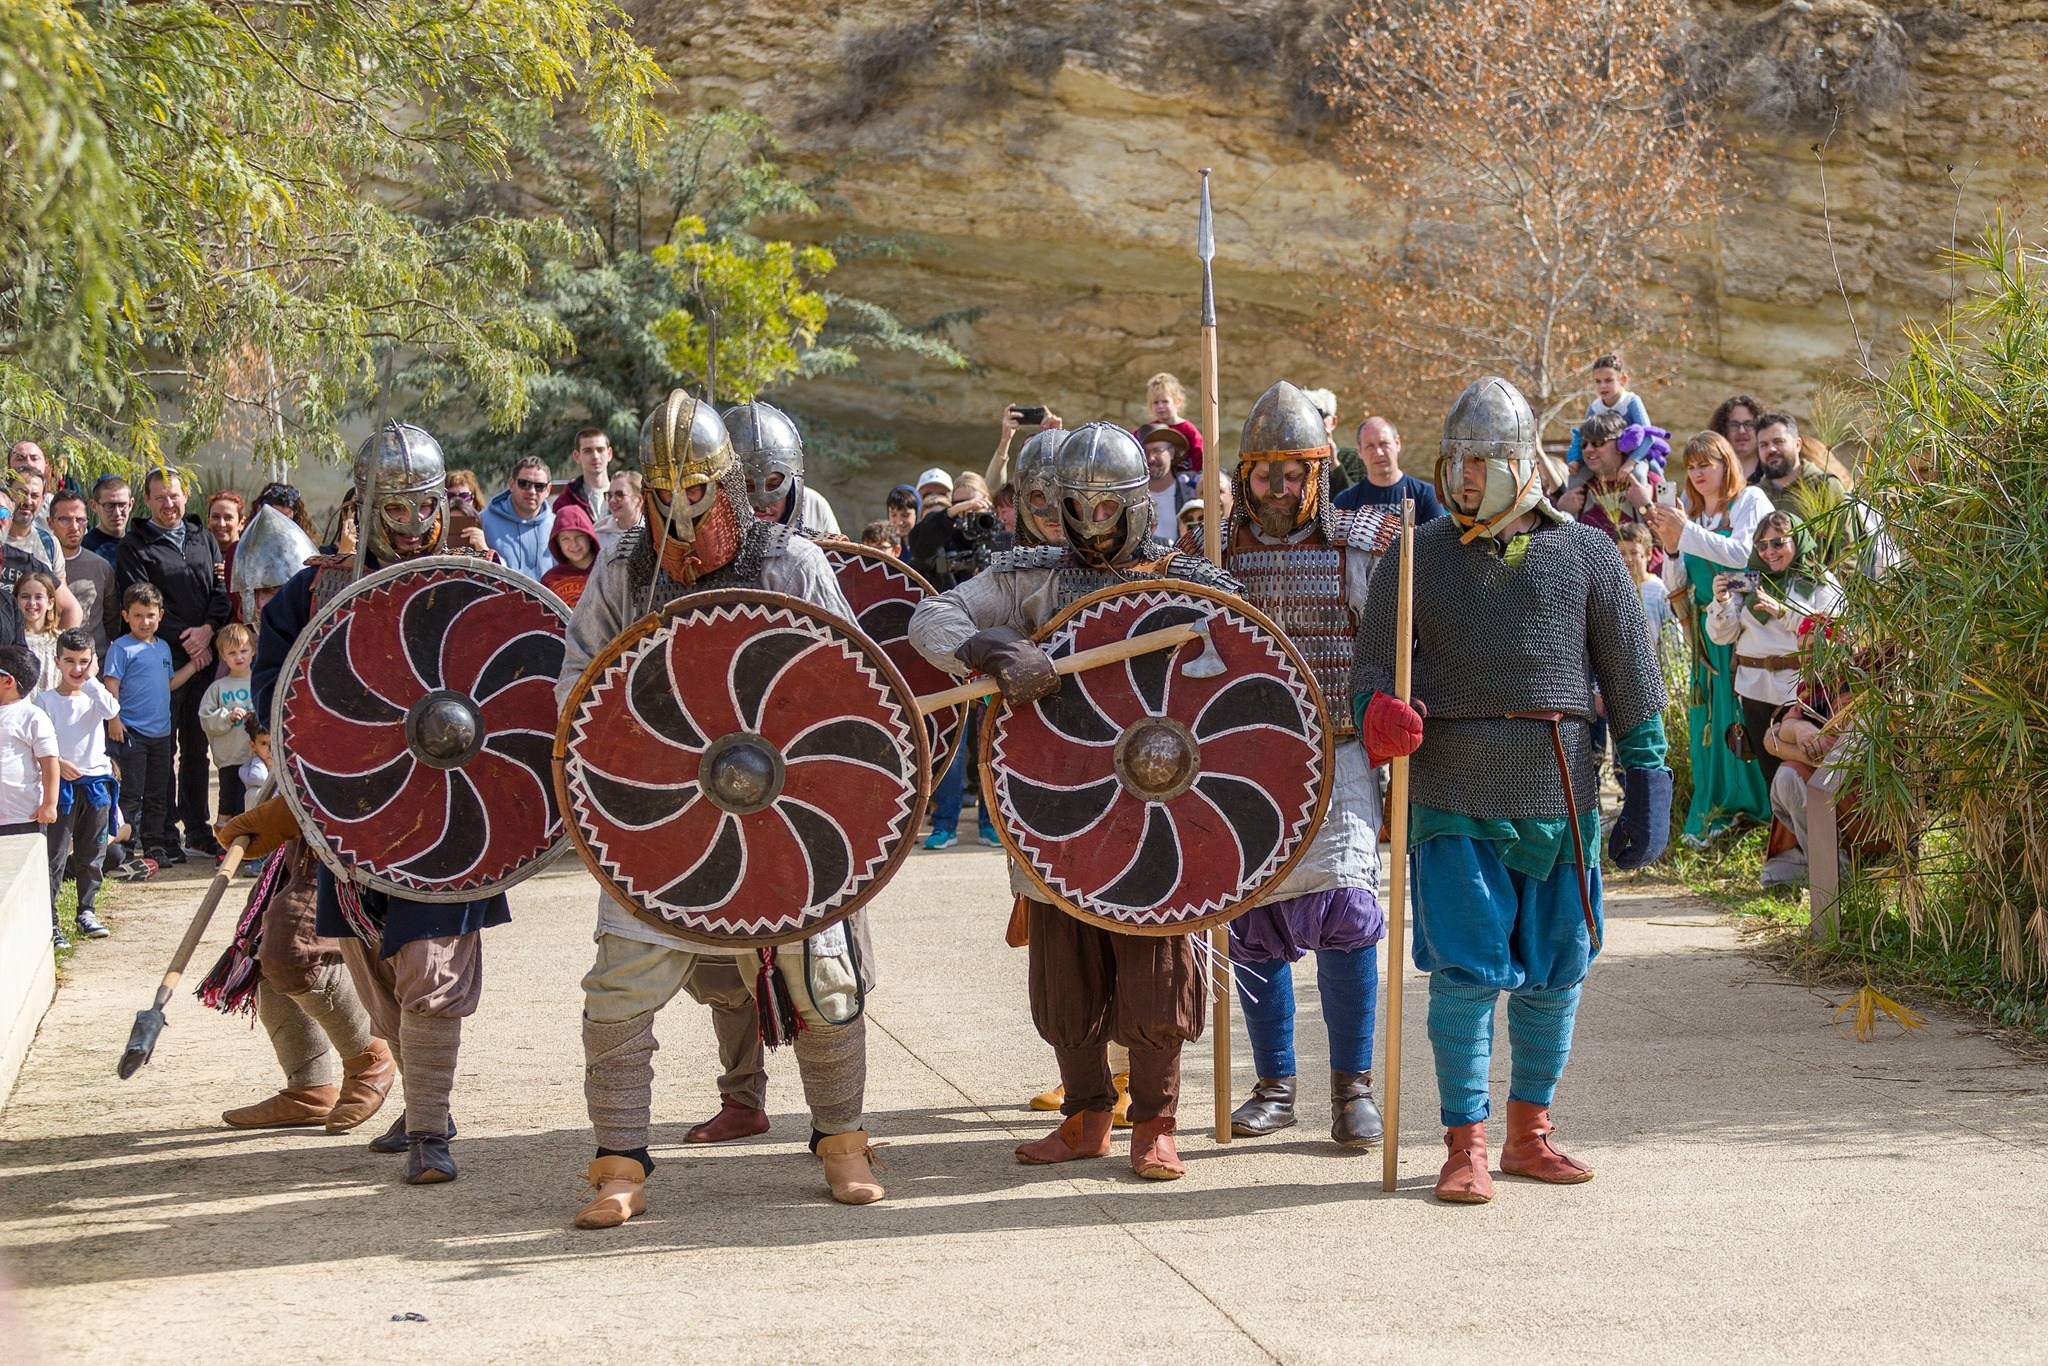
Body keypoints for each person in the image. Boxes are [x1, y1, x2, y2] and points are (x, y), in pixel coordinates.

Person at [556, 390, 886, 1227]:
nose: (680, 510)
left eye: (697, 489)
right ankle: (620, 1163)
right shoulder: (625, 565)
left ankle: (844, 1142)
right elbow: (579, 683)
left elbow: (849, 686)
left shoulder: (790, 562)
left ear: (727, 483)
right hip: (664, 814)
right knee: (619, 986)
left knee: (825, 979)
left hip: (786, 810)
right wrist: (625, 747)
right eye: (665, 493)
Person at [1352, 376, 1671, 1204]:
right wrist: (1381, 717)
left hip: (1561, 789)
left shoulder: (1588, 553)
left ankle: (1532, 1133)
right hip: (1453, 789)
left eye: (1481, 462)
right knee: (1466, 969)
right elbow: (1369, 675)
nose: (1463, 479)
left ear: (1523, 463)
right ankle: (1466, 1142)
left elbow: (1632, 680)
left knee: (1559, 968)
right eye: (1454, 461)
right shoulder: (1417, 554)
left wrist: (1650, 779)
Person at [910, 421, 1240, 1181]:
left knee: (1154, 969)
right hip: (1057, 803)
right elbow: (933, 617)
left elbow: (1238, 669)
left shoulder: (1190, 582)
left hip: (1158, 804)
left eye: (1106, 509)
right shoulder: (1027, 579)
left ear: (1136, 506)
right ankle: (1087, 1114)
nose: (1092, 525)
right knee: (1065, 974)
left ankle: (1154, 1124)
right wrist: (989, 648)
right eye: (1077, 507)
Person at [225, 420, 507, 1184]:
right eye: (398, 508)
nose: (415, 525)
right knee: (378, 967)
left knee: (430, 965)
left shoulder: (474, 573)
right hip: (353, 811)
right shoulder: (316, 587)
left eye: (427, 508)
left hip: (453, 808)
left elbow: (518, 680)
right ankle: (428, 1106)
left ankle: (427, 1136)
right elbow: (277, 688)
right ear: (368, 505)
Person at [1211, 382, 1399, 1147]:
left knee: (1350, 913)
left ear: (1318, 473)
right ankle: (1274, 1085)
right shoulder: (1214, 554)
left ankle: (1352, 1089)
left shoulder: (1360, 544)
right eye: (1265, 474)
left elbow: (1400, 644)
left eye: (1294, 473)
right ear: (1246, 474)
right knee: (1251, 921)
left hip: (1341, 749)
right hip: (1245, 764)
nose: (1279, 490)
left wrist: (1394, 698)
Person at [1645, 431, 1774, 843]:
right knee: (1709, 722)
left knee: (1742, 718)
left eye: (1707, 464)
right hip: (1704, 632)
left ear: (1726, 465)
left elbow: (1745, 557)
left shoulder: (1750, 501)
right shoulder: (1694, 516)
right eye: (1693, 466)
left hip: (1747, 631)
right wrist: (1671, 546)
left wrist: (1686, 533)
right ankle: (1716, 804)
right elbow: (1677, 583)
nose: (1699, 473)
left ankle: (1761, 809)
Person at [114, 467, 231, 861]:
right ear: (146, 501)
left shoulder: (203, 537)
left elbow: (220, 589)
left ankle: (198, 829)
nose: (169, 503)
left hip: (204, 656)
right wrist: (190, 638)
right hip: (159, 660)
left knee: (196, 747)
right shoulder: (135, 545)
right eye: (160, 497)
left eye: (175, 495)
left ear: (186, 496)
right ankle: (162, 832)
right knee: (161, 749)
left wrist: (209, 629)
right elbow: (141, 601)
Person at [1703, 511, 1844, 794]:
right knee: (1769, 770)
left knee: (1808, 766)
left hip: (1800, 689)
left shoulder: (1818, 579)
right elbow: (1722, 635)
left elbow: (1830, 630)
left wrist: (1783, 612)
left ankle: (1814, 833)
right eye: (1762, 545)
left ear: (1798, 539)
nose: (1770, 551)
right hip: (1754, 687)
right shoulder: (1750, 581)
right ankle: (1781, 835)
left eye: (1778, 543)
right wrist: (1722, 601)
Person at [104, 584, 200, 869]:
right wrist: (114, 719)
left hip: (161, 734)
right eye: (137, 616)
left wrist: (194, 666)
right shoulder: (121, 648)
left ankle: (154, 844)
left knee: (159, 794)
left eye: (150, 615)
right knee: (132, 794)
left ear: (160, 615)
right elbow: (111, 685)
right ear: (126, 616)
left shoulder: (164, 648)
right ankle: (126, 848)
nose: (144, 622)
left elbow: (169, 684)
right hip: (131, 732)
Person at [39, 629, 119, 945]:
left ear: (92, 662)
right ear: (57, 660)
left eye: (83, 661)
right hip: (61, 787)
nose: (76, 669)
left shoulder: (94, 694)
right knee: (55, 856)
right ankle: (51, 922)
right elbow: (38, 745)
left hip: (96, 784)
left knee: (92, 853)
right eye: (69, 661)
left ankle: (86, 910)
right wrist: (57, 763)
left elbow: (113, 711)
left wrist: (92, 678)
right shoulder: (45, 700)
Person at [1557, 415, 1668, 570]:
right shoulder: (1578, 490)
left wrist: (1645, 506)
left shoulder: (1649, 482)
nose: (1589, 449)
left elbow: (1672, 541)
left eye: (1598, 442)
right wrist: (1560, 512)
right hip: (1595, 588)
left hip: (1644, 587)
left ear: (1621, 445)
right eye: (1584, 444)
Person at [725, 401, 842, 536]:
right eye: (747, 487)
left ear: (793, 483)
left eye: (774, 485)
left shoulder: (815, 507)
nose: (762, 504)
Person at [0, 648, 60, 867]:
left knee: (21, 870)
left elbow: (50, 761)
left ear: (8, 681)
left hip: (23, 815)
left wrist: (50, 803)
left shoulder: (31, 716)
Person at [1333, 417, 1448, 521]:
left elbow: (1439, 542)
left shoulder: (1425, 495)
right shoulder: (1345, 502)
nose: (1378, 452)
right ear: (1359, 450)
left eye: (1384, 443)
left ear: (1397, 443)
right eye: (1370, 446)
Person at [199, 622, 258, 820]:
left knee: (253, 804)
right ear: (223, 657)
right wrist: (227, 717)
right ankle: (224, 843)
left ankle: (252, 848)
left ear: (253, 651)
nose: (239, 657)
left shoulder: (260, 683)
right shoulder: (218, 687)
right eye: (232, 653)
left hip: (257, 758)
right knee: (227, 804)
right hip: (230, 759)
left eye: (243, 651)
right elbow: (205, 718)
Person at [48, 490, 115, 655]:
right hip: (51, 658)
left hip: (93, 662)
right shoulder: (39, 564)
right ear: (50, 522)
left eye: (80, 520)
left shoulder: (101, 567)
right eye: (65, 520)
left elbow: (112, 619)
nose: (74, 527)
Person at [1563, 353, 1654, 470]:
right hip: (1605, 460)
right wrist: (1575, 460)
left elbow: (1648, 436)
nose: (1603, 386)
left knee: (1645, 473)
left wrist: (1631, 463)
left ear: (1622, 379)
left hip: (1635, 456)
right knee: (1576, 477)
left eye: (1608, 380)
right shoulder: (1594, 408)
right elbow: (1583, 438)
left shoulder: (1631, 402)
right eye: (1598, 381)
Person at [480, 455, 556, 578]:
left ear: (548, 489)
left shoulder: (557, 526)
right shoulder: (483, 522)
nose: (531, 491)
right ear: (511, 484)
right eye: (524, 484)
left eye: (539, 486)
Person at [985, 403, 1065, 500]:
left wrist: (1057, 438)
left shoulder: (1063, 486)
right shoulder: (1014, 492)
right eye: (1028, 449)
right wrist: (1005, 439)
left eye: (1039, 448)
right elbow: (993, 490)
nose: (1035, 454)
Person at [554, 427, 618, 543]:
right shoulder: (565, 503)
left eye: (600, 450)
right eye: (587, 451)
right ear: (577, 456)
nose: (595, 456)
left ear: (609, 453)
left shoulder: (627, 496)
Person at [1615, 524, 1675, 648]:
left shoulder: (1660, 591)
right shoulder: (1611, 590)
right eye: (1622, 553)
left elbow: (1672, 634)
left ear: (1648, 554)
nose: (1628, 559)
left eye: (1634, 553)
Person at [1135, 422, 1198, 533]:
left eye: (1157, 451)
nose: (1150, 459)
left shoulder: (1190, 491)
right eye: (1145, 452)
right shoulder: (1132, 496)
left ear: (1172, 453)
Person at [1139, 373, 1205, 472]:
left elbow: (1200, 458)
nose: (1160, 406)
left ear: (1177, 401)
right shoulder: (1149, 430)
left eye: (1165, 401)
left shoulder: (1188, 430)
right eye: (1156, 402)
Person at [540, 503, 599, 607]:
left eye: (579, 536)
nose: (574, 544)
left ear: (589, 536)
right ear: (557, 542)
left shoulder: (607, 570)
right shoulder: (550, 580)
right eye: (565, 539)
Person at [7, 472, 62, 576]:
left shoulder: (49, 544)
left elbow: (60, 589)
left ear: (43, 500)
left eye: (35, 496)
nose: (28, 501)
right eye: (21, 493)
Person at [16, 572, 61, 692]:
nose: (31, 603)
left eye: (38, 597)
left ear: (50, 603)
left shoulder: (60, 641)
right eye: (25, 596)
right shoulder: (11, 640)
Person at [1708, 393, 1765, 484]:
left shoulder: (1773, 475)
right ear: (1723, 429)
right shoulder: (1709, 473)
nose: (1741, 431)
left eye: (1749, 424)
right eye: (1734, 425)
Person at [207, 491, 246, 601]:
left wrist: (233, 575)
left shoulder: (251, 556)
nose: (221, 524)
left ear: (241, 523)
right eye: (215, 517)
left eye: (228, 517)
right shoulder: (200, 555)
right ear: (207, 521)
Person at [85, 476, 132, 564]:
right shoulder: (85, 550)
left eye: (122, 505)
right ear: (94, 506)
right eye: (109, 506)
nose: (117, 513)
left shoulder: (141, 543)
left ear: (131, 504)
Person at [252, 482, 320, 542]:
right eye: (275, 517)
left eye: (287, 520)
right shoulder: (246, 540)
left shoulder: (300, 545)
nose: (281, 524)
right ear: (259, 510)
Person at [601, 471, 643, 554]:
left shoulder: (653, 534)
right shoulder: (599, 536)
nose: (612, 500)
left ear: (639, 500)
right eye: (609, 495)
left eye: (620, 495)